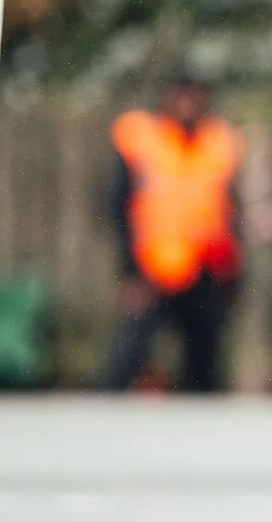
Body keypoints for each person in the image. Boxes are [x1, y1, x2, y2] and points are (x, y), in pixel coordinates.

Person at [99, 73, 245, 393]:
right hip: (153, 270)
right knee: (125, 359)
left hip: (205, 270)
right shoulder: (144, 139)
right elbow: (117, 207)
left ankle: (201, 435)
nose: (187, 103)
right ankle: (102, 423)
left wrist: (233, 273)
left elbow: (232, 210)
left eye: (194, 94)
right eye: (180, 93)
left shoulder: (218, 142)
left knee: (204, 365)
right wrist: (129, 269)